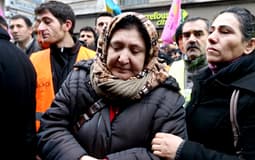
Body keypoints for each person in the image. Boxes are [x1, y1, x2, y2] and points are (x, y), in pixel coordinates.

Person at [37, 12, 187, 160]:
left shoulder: (168, 97)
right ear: (105, 47)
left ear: (148, 55)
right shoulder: (79, 79)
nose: (122, 59)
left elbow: (168, 154)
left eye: (135, 51)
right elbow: (51, 128)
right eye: (116, 47)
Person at [152, 7, 255, 159]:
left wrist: (183, 150)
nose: (212, 38)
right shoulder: (205, 82)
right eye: (212, 30)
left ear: (249, 45)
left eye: (225, 31)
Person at [30, 0, 96, 131]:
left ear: (67, 25)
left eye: (47, 22)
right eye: (39, 22)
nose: (40, 28)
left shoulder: (93, 58)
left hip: (81, 142)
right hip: (42, 139)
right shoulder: (34, 59)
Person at [0, 16, 37, 160]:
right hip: (25, 144)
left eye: (19, 26)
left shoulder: (37, 54)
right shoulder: (21, 56)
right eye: (12, 27)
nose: (15, 31)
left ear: (30, 29)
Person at [168, 17, 209, 106]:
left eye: (198, 34)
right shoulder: (174, 67)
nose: (191, 40)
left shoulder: (220, 68)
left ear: (210, 37)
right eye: (186, 35)